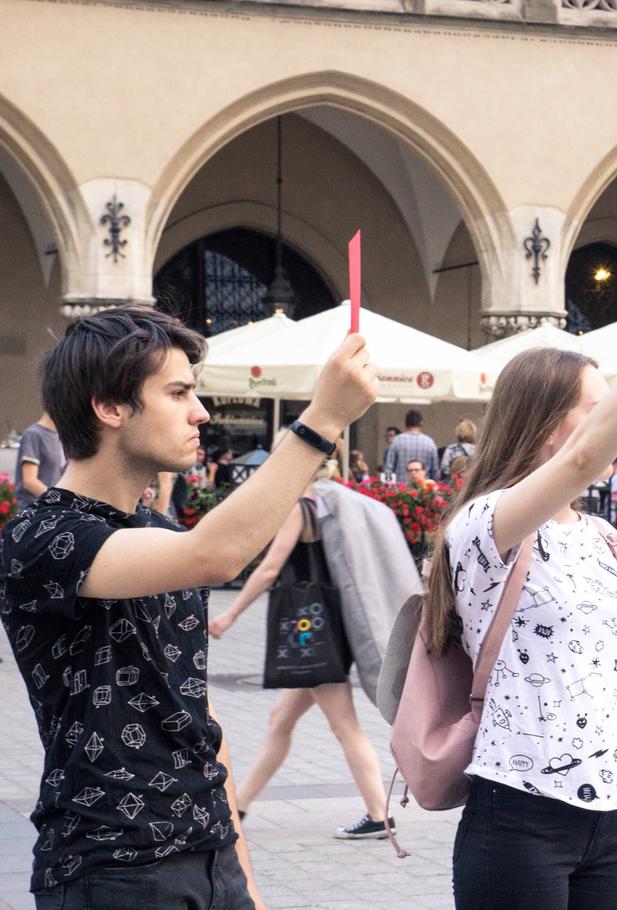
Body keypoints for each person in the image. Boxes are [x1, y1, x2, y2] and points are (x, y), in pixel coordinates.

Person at [0, 305, 378, 908]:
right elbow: (218, 555)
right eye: (178, 393)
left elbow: (197, 714)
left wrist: (242, 880)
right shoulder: (44, 537)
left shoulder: (159, 528)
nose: (200, 412)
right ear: (110, 406)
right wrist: (323, 418)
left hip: (208, 857)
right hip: (111, 868)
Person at [428, 276, 617, 909]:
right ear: (550, 426)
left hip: (612, 820)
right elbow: (583, 460)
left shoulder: (606, 538)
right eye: (597, 408)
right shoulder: (486, 523)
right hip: (521, 814)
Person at [207, 455, 394, 840]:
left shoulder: (300, 506)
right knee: (281, 719)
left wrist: (230, 615)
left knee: (345, 726)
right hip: (324, 631)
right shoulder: (332, 504)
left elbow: (271, 568)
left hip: (312, 638)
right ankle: (238, 807)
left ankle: (380, 815)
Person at [16, 411, 66, 511]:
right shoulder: (33, 435)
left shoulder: (59, 436)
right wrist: (60, 501)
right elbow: (29, 482)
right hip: (34, 511)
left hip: (53, 509)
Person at [383, 410, 438, 481]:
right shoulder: (430, 442)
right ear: (421, 423)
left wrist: (388, 487)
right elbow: (435, 470)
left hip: (401, 489)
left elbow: (388, 468)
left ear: (406, 423)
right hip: (423, 489)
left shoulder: (397, 441)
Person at [441, 418, 478, 482]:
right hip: (473, 484)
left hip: (454, 485)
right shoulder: (479, 450)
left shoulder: (451, 449)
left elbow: (444, 470)